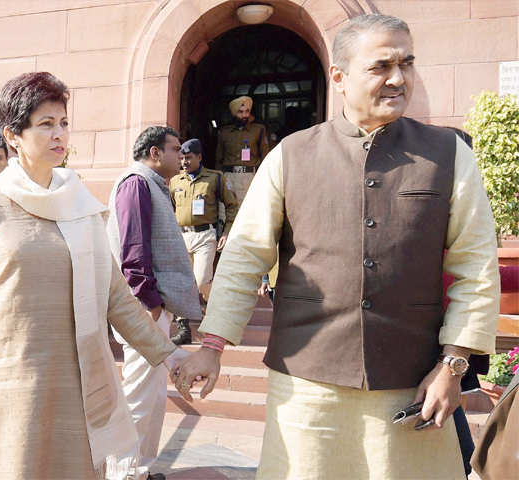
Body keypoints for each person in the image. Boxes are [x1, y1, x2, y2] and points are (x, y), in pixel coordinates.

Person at [175, 14, 500, 479]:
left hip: (413, 384)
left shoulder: (449, 155)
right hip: (306, 389)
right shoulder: (290, 154)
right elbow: (245, 257)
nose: (398, 78)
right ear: (340, 77)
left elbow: (476, 267)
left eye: (407, 64)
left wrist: (453, 366)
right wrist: (212, 344)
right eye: (381, 66)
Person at [0, 72, 189, 479]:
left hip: (77, 388)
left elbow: (116, 297)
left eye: (63, 123)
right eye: (45, 124)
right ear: (12, 135)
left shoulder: (81, 204)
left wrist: (171, 355)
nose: (59, 134)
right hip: (7, 389)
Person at [106, 126, 202, 480]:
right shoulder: (136, 183)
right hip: (141, 306)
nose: (182, 157)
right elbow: (133, 250)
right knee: (139, 395)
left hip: (147, 306)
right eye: (175, 149)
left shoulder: (150, 184)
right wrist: (148, 302)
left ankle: (139, 469)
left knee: (152, 395)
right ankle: (124, 472)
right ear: (154, 153)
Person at [169, 138, 237, 345]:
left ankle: (216, 311)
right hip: (181, 236)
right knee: (181, 284)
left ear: (199, 157)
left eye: (189, 158)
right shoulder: (175, 181)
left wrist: (227, 231)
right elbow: (170, 209)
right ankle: (183, 329)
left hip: (205, 236)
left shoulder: (215, 178)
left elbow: (232, 205)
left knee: (200, 281)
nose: (184, 162)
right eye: (181, 158)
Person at [215, 96, 269, 214]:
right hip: (228, 177)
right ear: (234, 113)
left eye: (247, 111)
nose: (244, 115)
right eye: (240, 112)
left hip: (249, 177)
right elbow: (219, 159)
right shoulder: (224, 132)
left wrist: (262, 179)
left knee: (249, 213)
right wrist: (219, 180)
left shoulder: (258, 130)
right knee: (226, 212)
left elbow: (265, 156)